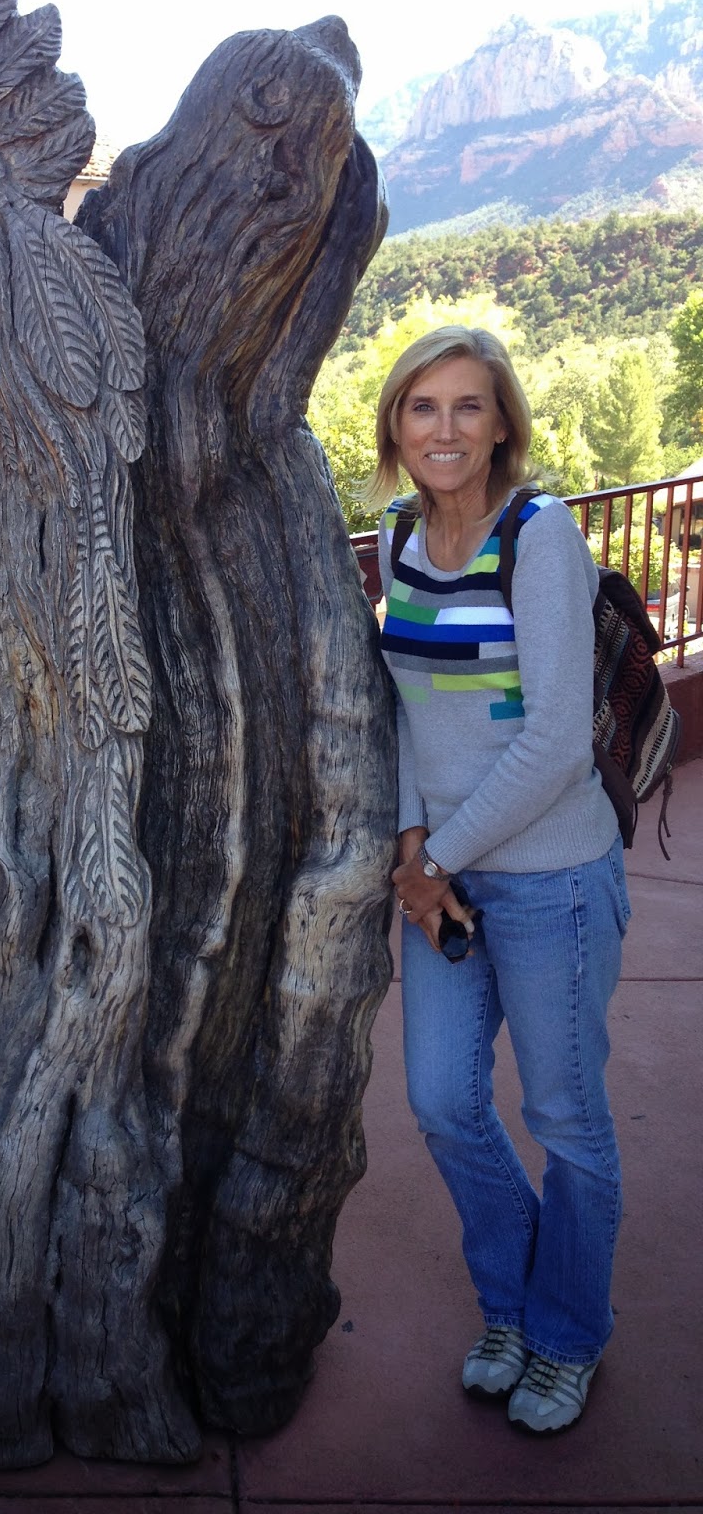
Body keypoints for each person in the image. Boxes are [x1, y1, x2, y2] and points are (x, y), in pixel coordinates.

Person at [372, 326, 629, 1434]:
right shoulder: (397, 535)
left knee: (565, 1117)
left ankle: (566, 1335)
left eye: (468, 406)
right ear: (396, 424)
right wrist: (411, 842)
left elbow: (558, 742)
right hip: (441, 877)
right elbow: (401, 713)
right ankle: (518, 1303)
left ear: (501, 426)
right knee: (440, 1099)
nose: (444, 429)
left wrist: (438, 861)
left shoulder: (541, 536)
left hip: (551, 877)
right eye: (423, 406)